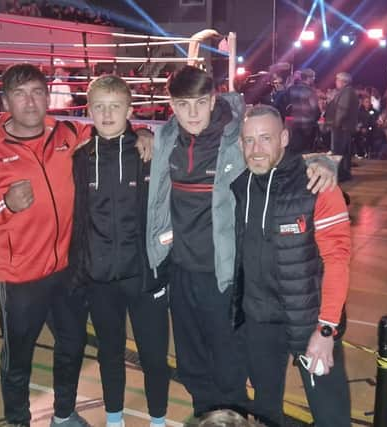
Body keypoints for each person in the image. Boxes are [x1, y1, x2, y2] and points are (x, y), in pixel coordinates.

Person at [0, 63, 151, 427]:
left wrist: (143, 131)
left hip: (68, 271)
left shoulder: (69, 132)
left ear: (48, 97)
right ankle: (18, 420)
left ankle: (62, 414)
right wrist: (4, 206)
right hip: (21, 276)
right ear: (6, 100)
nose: (29, 102)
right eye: (19, 93)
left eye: (37, 92)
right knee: (18, 359)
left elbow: (111, 125)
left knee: (72, 348)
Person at [146, 66, 337, 419]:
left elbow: (274, 153)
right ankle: (207, 419)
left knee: (229, 367)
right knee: (191, 364)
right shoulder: (165, 138)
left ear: (213, 99)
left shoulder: (234, 137)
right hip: (180, 271)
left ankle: (232, 420)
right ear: (170, 104)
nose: (191, 113)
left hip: (224, 276)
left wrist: (325, 163)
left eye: (199, 103)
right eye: (182, 104)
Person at [231, 105, 351, 427]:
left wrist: (326, 329)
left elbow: (338, 259)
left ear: (283, 138)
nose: (256, 149)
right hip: (259, 321)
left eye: (265, 138)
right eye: (249, 140)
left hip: (309, 324)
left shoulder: (317, 184)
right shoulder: (240, 186)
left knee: (331, 417)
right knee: (266, 413)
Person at [68, 75, 171, 427]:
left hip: (145, 278)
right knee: (109, 355)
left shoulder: (150, 152)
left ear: (130, 109)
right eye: (99, 106)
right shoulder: (79, 157)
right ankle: (114, 421)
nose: (107, 114)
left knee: (155, 358)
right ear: (89, 109)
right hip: (100, 280)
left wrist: (146, 134)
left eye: (115, 106)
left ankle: (158, 421)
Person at [275, 68, 320, 154]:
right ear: (308, 78)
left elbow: (282, 104)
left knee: (294, 148)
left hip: (294, 122)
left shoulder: (291, 89)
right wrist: (316, 118)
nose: (313, 79)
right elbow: (315, 108)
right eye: (313, 78)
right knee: (306, 150)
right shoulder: (310, 91)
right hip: (307, 124)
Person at [325, 72, 358, 182]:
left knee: (338, 151)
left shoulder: (347, 92)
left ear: (344, 82)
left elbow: (342, 110)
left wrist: (336, 124)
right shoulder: (347, 92)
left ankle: (341, 173)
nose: (336, 82)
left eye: (337, 80)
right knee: (344, 151)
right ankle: (345, 173)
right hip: (344, 127)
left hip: (341, 127)